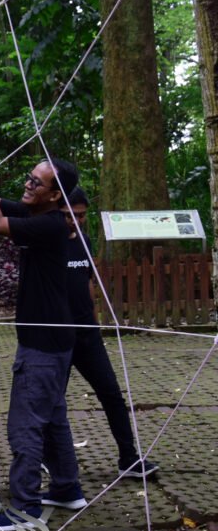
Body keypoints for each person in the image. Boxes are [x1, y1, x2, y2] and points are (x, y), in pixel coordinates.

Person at [0, 149, 86, 531]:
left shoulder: (50, 224)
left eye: (36, 183)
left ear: (56, 196)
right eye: (29, 179)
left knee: (24, 426)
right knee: (53, 419)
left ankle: (26, 508)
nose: (28, 186)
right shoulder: (38, 212)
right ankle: (66, 488)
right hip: (54, 338)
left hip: (44, 344)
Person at [64, 187, 159, 479]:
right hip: (57, 337)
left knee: (112, 395)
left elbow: (87, 282)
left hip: (87, 335)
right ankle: (50, 461)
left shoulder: (84, 240)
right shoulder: (46, 242)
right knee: (51, 402)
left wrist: (96, 324)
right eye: (70, 215)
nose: (76, 221)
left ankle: (129, 459)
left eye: (81, 216)